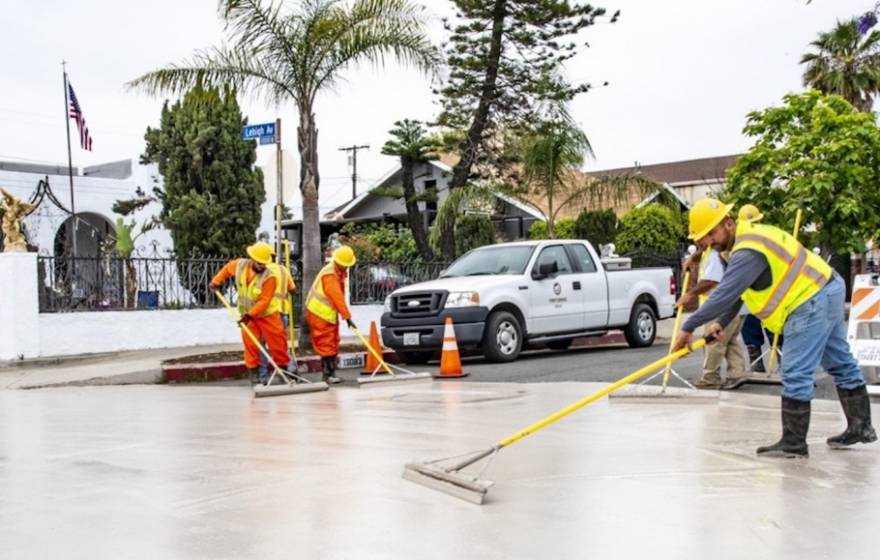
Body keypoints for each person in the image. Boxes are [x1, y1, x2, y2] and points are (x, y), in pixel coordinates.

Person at [673, 198, 877, 457]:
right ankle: (861, 427)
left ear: (728, 223)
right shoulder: (740, 245)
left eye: (711, 233)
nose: (708, 241)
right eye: (703, 237)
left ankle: (794, 442)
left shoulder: (747, 250)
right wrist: (720, 323)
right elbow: (737, 294)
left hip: (810, 298)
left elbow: (725, 293)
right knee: (839, 361)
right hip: (825, 288)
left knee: (795, 371)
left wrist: (688, 326)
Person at [209, 242, 290, 385]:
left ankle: (284, 370)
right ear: (252, 258)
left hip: (267, 315)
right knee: (251, 345)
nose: (261, 266)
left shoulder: (270, 278)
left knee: (278, 343)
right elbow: (227, 269)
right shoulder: (239, 265)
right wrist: (216, 282)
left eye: (264, 264)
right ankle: (254, 375)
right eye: (259, 263)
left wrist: (249, 315)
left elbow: (264, 301)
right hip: (248, 316)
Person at [677, 240, 748, 389]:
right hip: (735, 307)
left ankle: (711, 377)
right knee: (730, 342)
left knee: (714, 343)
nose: (697, 241)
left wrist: (690, 294)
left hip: (721, 309)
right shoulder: (713, 251)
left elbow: (710, 280)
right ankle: (737, 374)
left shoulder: (714, 255)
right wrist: (693, 258)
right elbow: (702, 251)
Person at [735, 204, 781, 373]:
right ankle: (757, 362)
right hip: (751, 297)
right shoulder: (739, 244)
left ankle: (783, 361)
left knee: (775, 329)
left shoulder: (768, 240)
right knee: (750, 329)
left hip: (770, 294)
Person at [305, 246, 357, 385]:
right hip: (319, 313)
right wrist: (347, 317)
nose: (347, 268)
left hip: (327, 313)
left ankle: (331, 373)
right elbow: (336, 297)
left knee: (332, 341)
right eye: (346, 265)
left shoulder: (337, 271)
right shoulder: (330, 275)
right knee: (326, 343)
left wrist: (345, 316)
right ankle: (328, 374)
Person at [257, 258, 297, 383]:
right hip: (281, 311)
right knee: (280, 344)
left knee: (261, 345)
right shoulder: (282, 269)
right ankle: (288, 369)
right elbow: (293, 289)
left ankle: (262, 377)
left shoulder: (261, 271)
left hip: (265, 313)